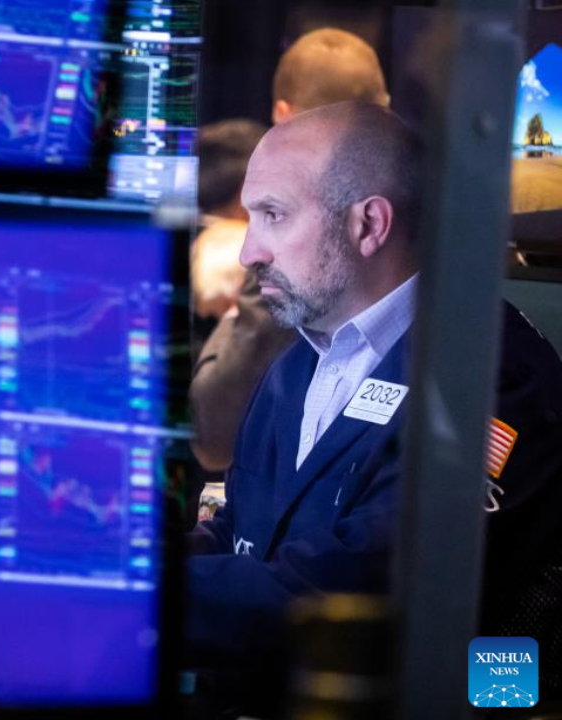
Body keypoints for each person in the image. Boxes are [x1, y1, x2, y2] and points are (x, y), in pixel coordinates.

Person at [185, 102, 562, 693]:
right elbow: (241, 526)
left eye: (274, 216)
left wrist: (141, 599)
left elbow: (351, 601)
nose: (248, 251)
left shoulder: (488, 377)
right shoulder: (302, 358)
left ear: (369, 225)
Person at [189, 28, 390, 474]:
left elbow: (214, 434)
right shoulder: (428, 211)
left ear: (282, 115)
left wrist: (230, 308)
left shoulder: (293, 246)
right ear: (386, 105)